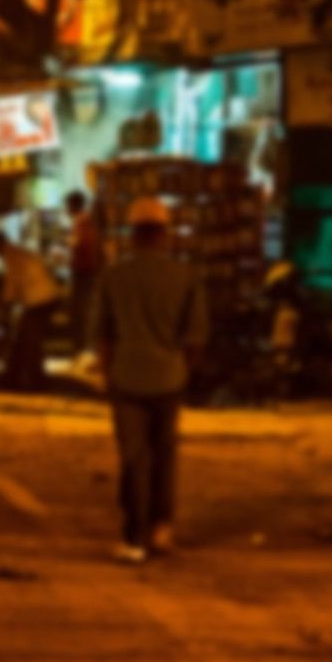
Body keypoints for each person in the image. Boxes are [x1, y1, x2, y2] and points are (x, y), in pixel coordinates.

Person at [93, 198, 209, 564]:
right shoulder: (186, 276)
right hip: (169, 378)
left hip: (126, 378)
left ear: (132, 235)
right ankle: (162, 528)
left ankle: (134, 537)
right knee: (164, 455)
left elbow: (102, 334)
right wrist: (181, 369)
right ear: (164, 235)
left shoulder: (113, 275)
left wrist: (107, 372)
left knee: (133, 459)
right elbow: (194, 337)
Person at [0, 229, 61, 391]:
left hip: (40, 301)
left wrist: (2, 306)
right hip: (44, 298)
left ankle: (33, 380)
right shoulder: (17, 252)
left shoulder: (12, 257)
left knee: (28, 341)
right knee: (25, 340)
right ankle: (22, 377)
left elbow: (11, 287)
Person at [65, 189, 104, 343]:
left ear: (73, 206)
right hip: (85, 273)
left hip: (84, 274)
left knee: (82, 312)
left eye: (67, 206)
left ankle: (83, 346)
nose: (66, 210)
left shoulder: (84, 223)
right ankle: (83, 345)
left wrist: (70, 258)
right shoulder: (81, 223)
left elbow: (84, 249)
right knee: (82, 312)